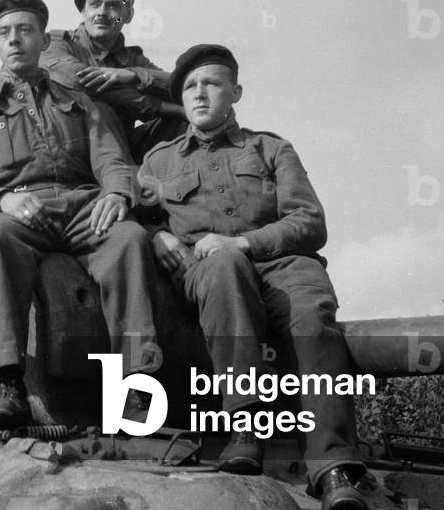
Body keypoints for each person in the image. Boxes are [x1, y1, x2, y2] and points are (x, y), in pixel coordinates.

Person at [138, 44, 368, 510]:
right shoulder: (158, 162)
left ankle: (333, 467)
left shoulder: (271, 148)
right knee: (222, 265)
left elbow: (309, 222)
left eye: (212, 83)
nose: (199, 94)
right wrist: (156, 235)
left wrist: (244, 242)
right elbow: (133, 217)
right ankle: (244, 424)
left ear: (235, 92)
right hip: (208, 274)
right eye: (189, 87)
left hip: (283, 266)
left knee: (313, 320)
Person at [0, 0, 160, 432]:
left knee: (129, 238)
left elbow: (113, 161)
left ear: (44, 40)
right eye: (4, 32)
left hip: (85, 206)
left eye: (25, 30)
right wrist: (2, 200)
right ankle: (7, 383)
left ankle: (137, 388)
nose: (15, 40)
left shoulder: (81, 102)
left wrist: (117, 195)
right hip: (22, 212)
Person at [40, 0, 185, 162]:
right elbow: (84, 81)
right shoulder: (58, 43)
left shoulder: (132, 59)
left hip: (120, 152)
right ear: (84, 12)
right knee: (101, 107)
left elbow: (182, 85)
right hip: (67, 152)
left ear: (128, 15)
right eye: (94, 4)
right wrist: (159, 106)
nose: (102, 13)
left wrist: (132, 75)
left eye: (113, 6)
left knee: (186, 120)